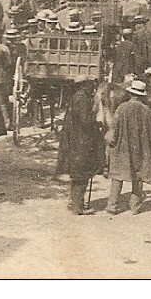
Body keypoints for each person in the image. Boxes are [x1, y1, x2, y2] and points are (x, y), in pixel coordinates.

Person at [106, 80, 151, 215]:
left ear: (130, 94)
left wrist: (111, 144)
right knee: (138, 177)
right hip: (141, 150)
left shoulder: (121, 108)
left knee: (117, 177)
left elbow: (113, 131)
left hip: (122, 149)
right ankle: (134, 206)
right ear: (142, 96)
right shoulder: (147, 111)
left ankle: (112, 206)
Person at [56, 79, 106, 215]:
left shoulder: (76, 97)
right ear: (85, 85)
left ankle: (74, 201)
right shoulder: (83, 99)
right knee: (82, 174)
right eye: (91, 85)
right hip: (82, 141)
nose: (93, 88)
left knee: (77, 174)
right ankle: (78, 206)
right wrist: (97, 124)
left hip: (75, 139)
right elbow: (85, 121)